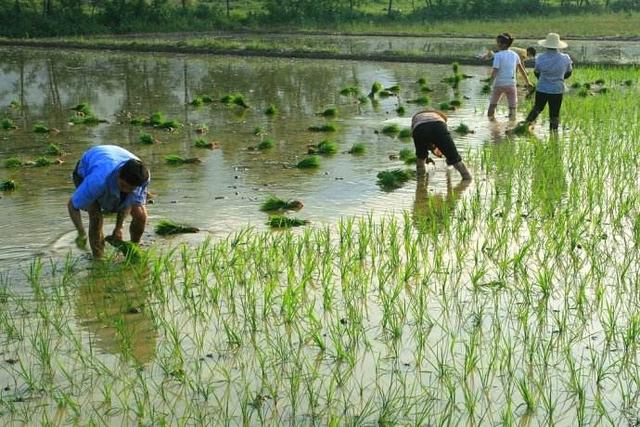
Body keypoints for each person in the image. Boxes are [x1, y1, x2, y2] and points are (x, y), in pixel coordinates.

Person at [68, 145, 150, 259]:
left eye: (131, 189)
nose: (126, 190)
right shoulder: (97, 180)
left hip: (114, 157)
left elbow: (129, 202)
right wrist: (81, 232)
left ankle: (134, 249)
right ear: (118, 174)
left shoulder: (143, 178)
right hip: (87, 168)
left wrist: (119, 228)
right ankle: (98, 260)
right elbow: (72, 205)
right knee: (95, 215)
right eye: (123, 185)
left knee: (141, 215)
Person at [523, 33, 573, 132]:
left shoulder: (540, 58)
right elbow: (569, 73)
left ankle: (525, 127)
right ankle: (553, 135)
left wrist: (545, 79)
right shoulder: (565, 58)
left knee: (537, 109)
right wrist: (559, 78)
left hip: (542, 88)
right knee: (554, 114)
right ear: (558, 45)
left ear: (546, 45)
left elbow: (537, 73)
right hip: (557, 90)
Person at [411, 109, 472, 180]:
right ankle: (467, 178)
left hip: (419, 128)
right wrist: (449, 156)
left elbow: (419, 139)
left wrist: (425, 157)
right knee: (455, 159)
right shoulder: (440, 118)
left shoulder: (416, 117)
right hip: (438, 126)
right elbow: (443, 142)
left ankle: (420, 182)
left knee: (420, 158)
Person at [487, 33, 534, 120]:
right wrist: (528, 82)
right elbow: (521, 70)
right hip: (511, 84)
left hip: (499, 84)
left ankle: (492, 125)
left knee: (492, 106)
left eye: (498, 43)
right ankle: (511, 125)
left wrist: (489, 84)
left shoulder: (498, 55)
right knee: (512, 108)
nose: (497, 44)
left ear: (504, 44)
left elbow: (495, 71)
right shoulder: (514, 55)